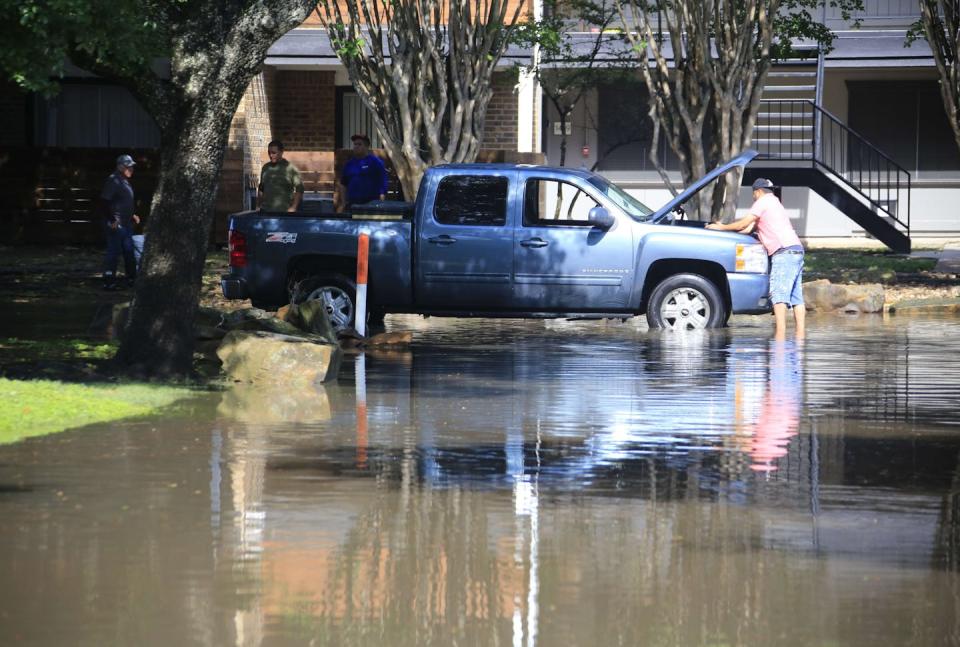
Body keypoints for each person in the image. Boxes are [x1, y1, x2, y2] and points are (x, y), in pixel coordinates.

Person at [706, 178, 805, 338]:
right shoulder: (775, 203)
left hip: (783, 252)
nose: (753, 197)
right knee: (796, 297)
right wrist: (726, 231)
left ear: (757, 191)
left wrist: (721, 227)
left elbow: (742, 224)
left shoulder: (763, 202)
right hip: (797, 250)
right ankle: (800, 336)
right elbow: (747, 229)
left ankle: (780, 336)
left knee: (779, 295)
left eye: (753, 194)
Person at [100, 154, 140, 290]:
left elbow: (122, 201)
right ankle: (109, 281)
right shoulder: (114, 180)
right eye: (128, 167)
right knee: (114, 252)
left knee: (129, 251)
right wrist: (112, 220)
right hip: (116, 224)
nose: (131, 169)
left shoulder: (124, 180)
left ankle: (131, 280)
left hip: (126, 223)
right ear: (120, 166)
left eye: (132, 167)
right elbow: (104, 202)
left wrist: (132, 215)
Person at [338, 134, 388, 210]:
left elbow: (383, 183)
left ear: (367, 146)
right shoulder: (349, 164)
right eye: (355, 144)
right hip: (353, 203)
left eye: (359, 144)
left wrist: (381, 203)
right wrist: (343, 202)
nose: (356, 146)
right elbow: (343, 184)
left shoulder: (376, 162)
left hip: (372, 203)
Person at [258, 140, 304, 212]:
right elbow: (261, 188)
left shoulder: (290, 168)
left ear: (281, 152)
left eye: (274, 153)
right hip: (265, 211)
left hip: (284, 212)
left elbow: (300, 188)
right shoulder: (265, 167)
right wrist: (258, 206)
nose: (271, 155)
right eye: (269, 153)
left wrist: (294, 207)